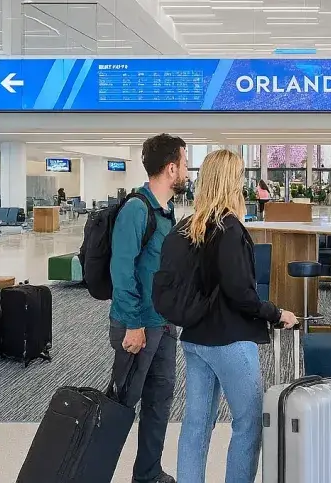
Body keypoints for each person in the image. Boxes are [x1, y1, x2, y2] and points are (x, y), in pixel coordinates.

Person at [176, 149, 299, 483]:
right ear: (231, 181)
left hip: (194, 338)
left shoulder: (189, 227)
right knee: (250, 422)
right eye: (241, 175)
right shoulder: (228, 229)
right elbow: (241, 294)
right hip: (228, 341)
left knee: (196, 424)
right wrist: (277, 313)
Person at [110, 133, 188, 483]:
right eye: (185, 164)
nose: (187, 171)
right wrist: (133, 323)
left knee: (159, 402)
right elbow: (121, 270)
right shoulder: (136, 210)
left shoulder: (166, 212)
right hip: (138, 325)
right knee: (121, 406)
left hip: (163, 323)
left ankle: (147, 473)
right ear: (171, 169)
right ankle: (92, 468)